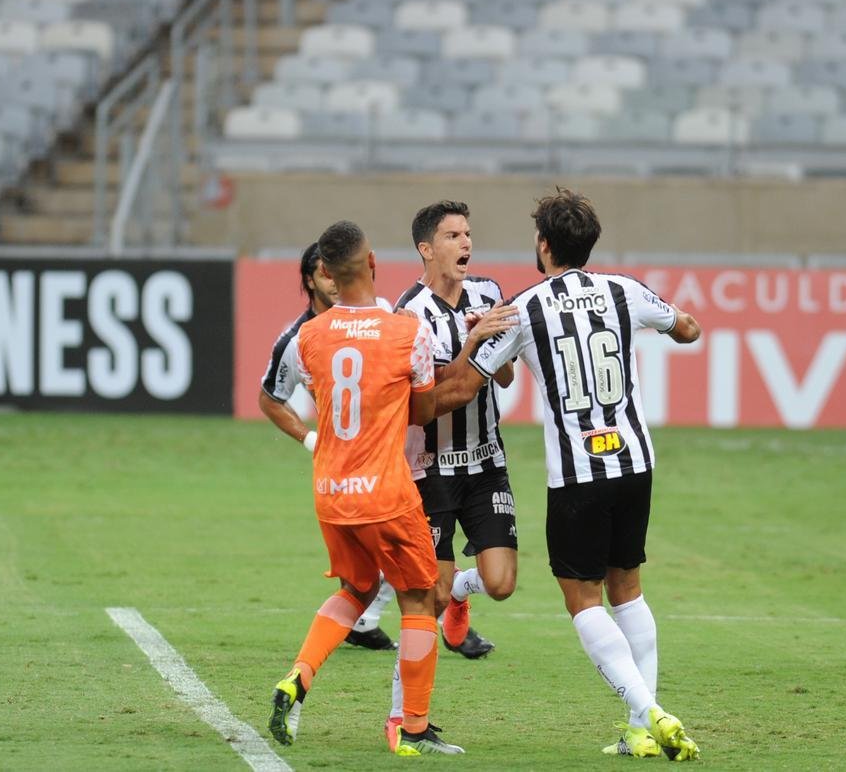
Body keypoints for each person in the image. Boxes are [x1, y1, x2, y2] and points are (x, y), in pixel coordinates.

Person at [433, 188, 703, 760]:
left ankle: (650, 712)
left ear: (544, 244)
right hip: (634, 462)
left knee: (583, 600)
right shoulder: (625, 290)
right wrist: (676, 320)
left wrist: (475, 338)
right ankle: (639, 730)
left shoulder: (524, 309)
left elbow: (462, 388)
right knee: (627, 589)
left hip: (579, 474)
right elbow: (688, 330)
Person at [268, 221, 464, 756]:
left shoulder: (309, 337)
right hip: (386, 492)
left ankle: (299, 676)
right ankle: (413, 729)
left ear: (327, 274)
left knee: (356, 589)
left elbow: (316, 392)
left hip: (332, 491)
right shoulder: (408, 332)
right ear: (373, 263)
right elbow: (422, 411)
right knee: (419, 597)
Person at [383, 200, 520, 748]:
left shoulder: (489, 293)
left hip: (486, 461)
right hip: (431, 470)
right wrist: (470, 345)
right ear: (426, 248)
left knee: (501, 584)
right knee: (427, 601)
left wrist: (490, 345)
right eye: (452, 235)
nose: (466, 243)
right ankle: (401, 717)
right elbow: (417, 402)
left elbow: (506, 377)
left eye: (467, 233)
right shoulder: (407, 315)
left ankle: (465, 590)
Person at [258, 242, 397, 652]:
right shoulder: (297, 339)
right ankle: (373, 616)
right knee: (381, 550)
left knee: (417, 537)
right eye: (324, 273)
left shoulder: (381, 313)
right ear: (309, 280)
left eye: (337, 270)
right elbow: (270, 398)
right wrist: (310, 438)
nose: (334, 281)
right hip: (347, 461)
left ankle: (423, 612)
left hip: (394, 446)